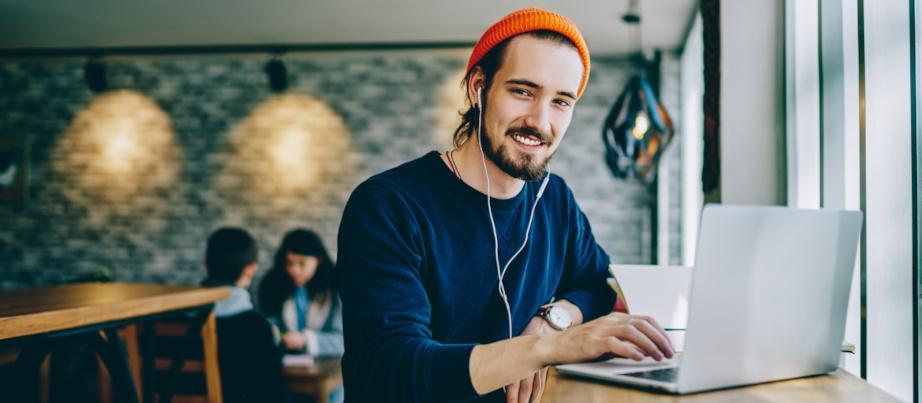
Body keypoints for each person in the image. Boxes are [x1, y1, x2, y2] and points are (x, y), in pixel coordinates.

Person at [336, 8, 675, 403]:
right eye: (523, 91)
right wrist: (543, 350)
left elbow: (596, 284)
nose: (540, 121)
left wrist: (551, 322)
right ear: (478, 87)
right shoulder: (388, 205)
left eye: (561, 101)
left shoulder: (555, 199)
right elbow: (390, 368)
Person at [202, 227, 283, 403]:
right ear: (251, 270)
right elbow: (269, 395)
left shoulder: (172, 320)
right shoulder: (257, 328)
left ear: (205, 264)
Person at [259, 229, 345, 358]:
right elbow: (269, 325)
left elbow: (343, 340)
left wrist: (306, 340)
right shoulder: (273, 285)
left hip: (327, 368)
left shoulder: (336, 288)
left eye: (301, 263)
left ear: (318, 260)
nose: (294, 270)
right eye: (289, 263)